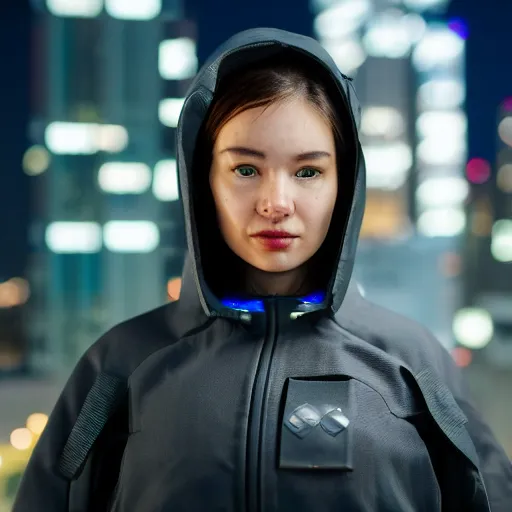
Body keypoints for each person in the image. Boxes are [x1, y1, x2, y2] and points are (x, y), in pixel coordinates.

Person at [13, 28, 511, 512]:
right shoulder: (121, 363)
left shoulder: (411, 363)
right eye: (246, 169)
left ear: (345, 183)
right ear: (202, 177)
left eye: (308, 171)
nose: (276, 202)